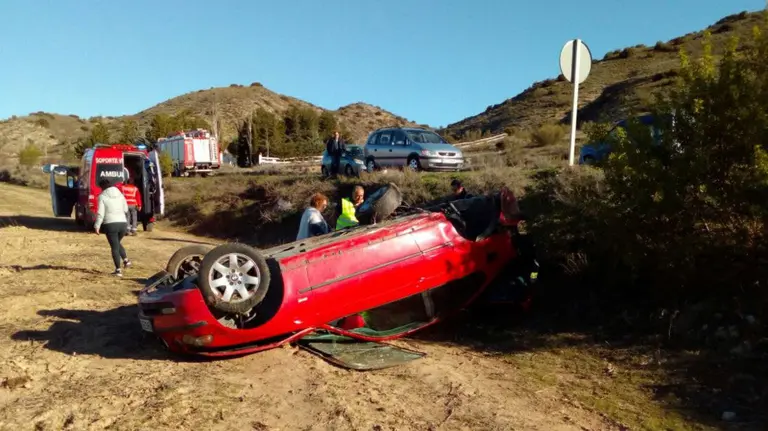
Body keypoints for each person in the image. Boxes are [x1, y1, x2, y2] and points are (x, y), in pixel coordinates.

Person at [94, 178, 132, 276]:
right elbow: (126, 209)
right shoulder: (120, 195)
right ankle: (126, 261)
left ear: (102, 187)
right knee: (117, 243)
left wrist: (97, 225)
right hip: (123, 223)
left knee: (114, 247)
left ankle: (118, 270)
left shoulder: (102, 196)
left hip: (110, 224)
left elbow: (100, 213)